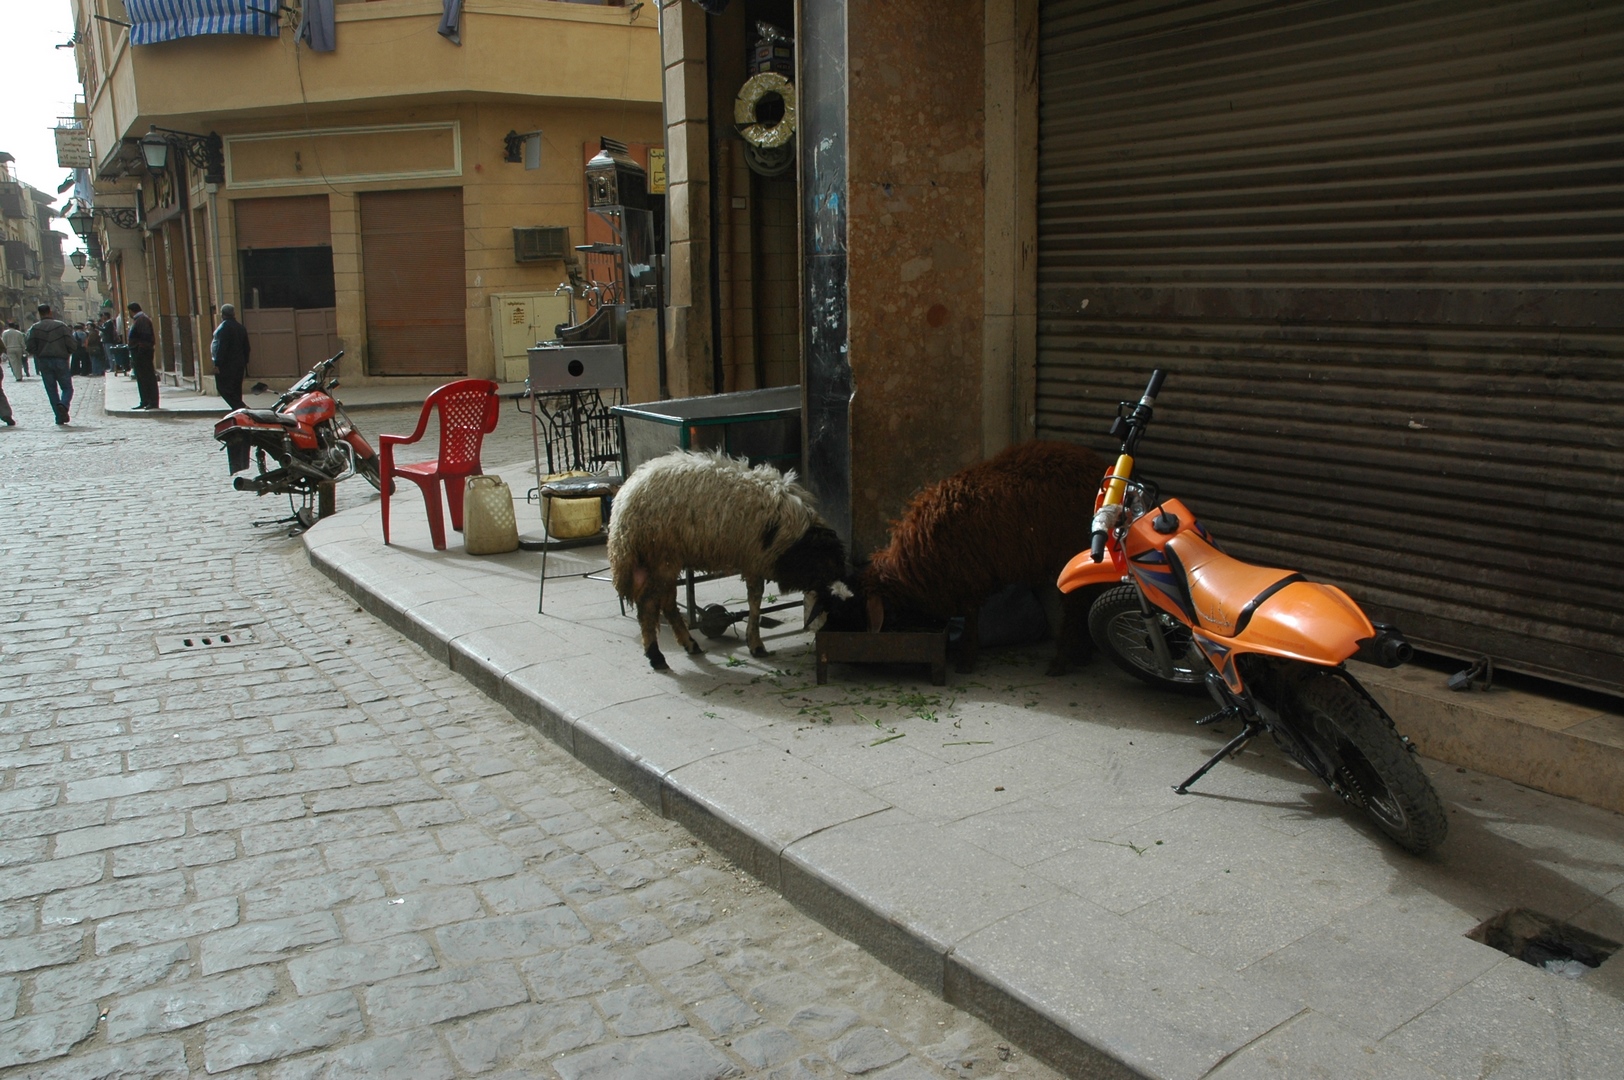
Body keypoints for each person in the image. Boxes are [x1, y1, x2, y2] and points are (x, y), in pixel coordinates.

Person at [25, 304, 75, 425]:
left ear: (39, 314)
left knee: (51, 390)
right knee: (67, 387)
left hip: (44, 361)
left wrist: (39, 353)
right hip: (61, 359)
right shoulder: (61, 326)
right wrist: (67, 352)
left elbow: (30, 346)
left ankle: (59, 416)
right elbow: (71, 344)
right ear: (50, 312)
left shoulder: (34, 328)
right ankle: (63, 404)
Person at [211, 303, 251, 412]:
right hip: (239, 363)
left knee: (223, 387)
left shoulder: (223, 328)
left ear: (222, 314)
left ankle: (240, 407)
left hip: (227, 364)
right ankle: (238, 410)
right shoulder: (240, 327)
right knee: (236, 388)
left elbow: (221, 347)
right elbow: (247, 347)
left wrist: (217, 364)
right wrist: (245, 361)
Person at [126, 302, 159, 410]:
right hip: (138, 353)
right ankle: (144, 400)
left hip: (143, 354)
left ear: (132, 311)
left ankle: (152, 401)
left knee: (147, 377)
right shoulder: (139, 320)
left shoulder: (142, 320)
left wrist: (140, 351)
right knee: (141, 377)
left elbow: (146, 338)